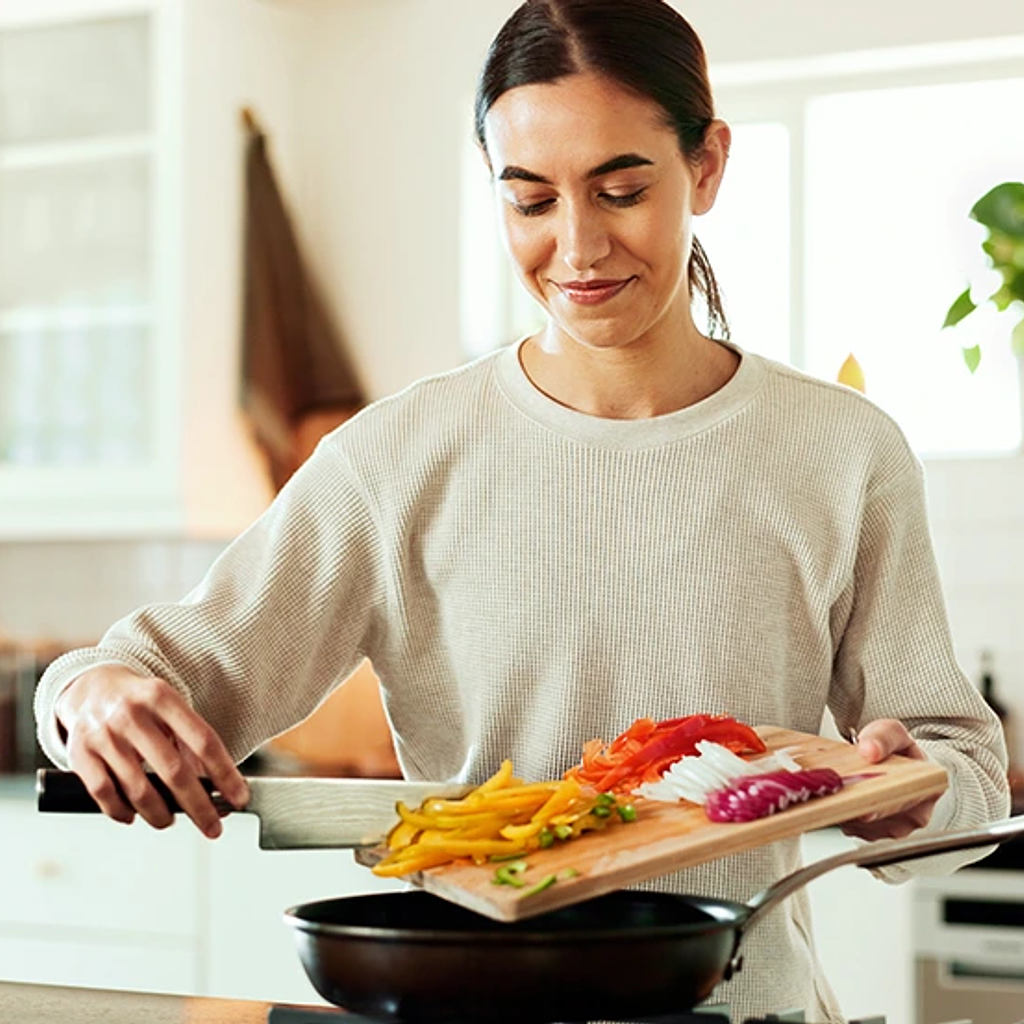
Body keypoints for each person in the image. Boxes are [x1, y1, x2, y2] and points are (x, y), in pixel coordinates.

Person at [36, 0, 1009, 1018]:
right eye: (530, 200)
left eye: (621, 189)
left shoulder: (842, 449)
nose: (577, 247)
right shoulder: (397, 454)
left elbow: (963, 768)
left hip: (742, 1005)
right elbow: (144, 674)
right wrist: (90, 697)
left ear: (707, 166)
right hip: (469, 1002)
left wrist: (915, 790)